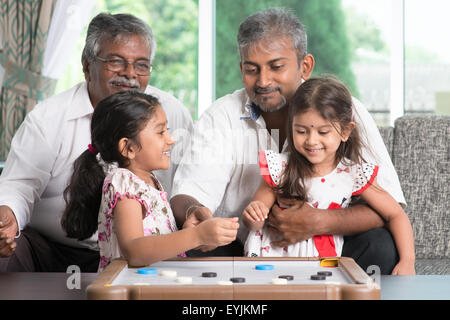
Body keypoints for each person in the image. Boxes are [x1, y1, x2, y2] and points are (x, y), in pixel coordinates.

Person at [170, 8, 406, 274]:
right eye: (251, 69)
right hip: (248, 255)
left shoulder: (346, 111)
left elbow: (389, 207)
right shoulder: (221, 115)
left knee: (381, 245)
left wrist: (319, 221)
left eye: (276, 66)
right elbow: (186, 193)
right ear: (241, 68)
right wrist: (194, 212)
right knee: (192, 247)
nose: (263, 81)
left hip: (330, 257)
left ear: (305, 65)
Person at [0, 13, 193, 272]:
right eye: (116, 62)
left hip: (147, 252)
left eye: (141, 64)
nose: (130, 74)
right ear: (87, 65)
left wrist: (193, 213)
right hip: (57, 249)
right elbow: (19, 185)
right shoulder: (48, 118)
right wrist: (8, 214)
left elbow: (187, 183)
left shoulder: (171, 111)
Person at [242, 76, 415, 275]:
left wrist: (408, 260)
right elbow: (254, 220)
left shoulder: (353, 173)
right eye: (301, 131)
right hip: (275, 261)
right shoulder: (280, 167)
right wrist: (254, 214)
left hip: (326, 264)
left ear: (345, 131)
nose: (311, 141)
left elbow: (395, 214)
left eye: (323, 132)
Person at [62, 90, 239, 272]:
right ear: (128, 148)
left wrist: (193, 235)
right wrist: (195, 236)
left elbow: (156, 241)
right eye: (160, 132)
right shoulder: (124, 182)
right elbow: (135, 251)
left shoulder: (149, 182)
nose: (171, 139)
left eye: (167, 130)